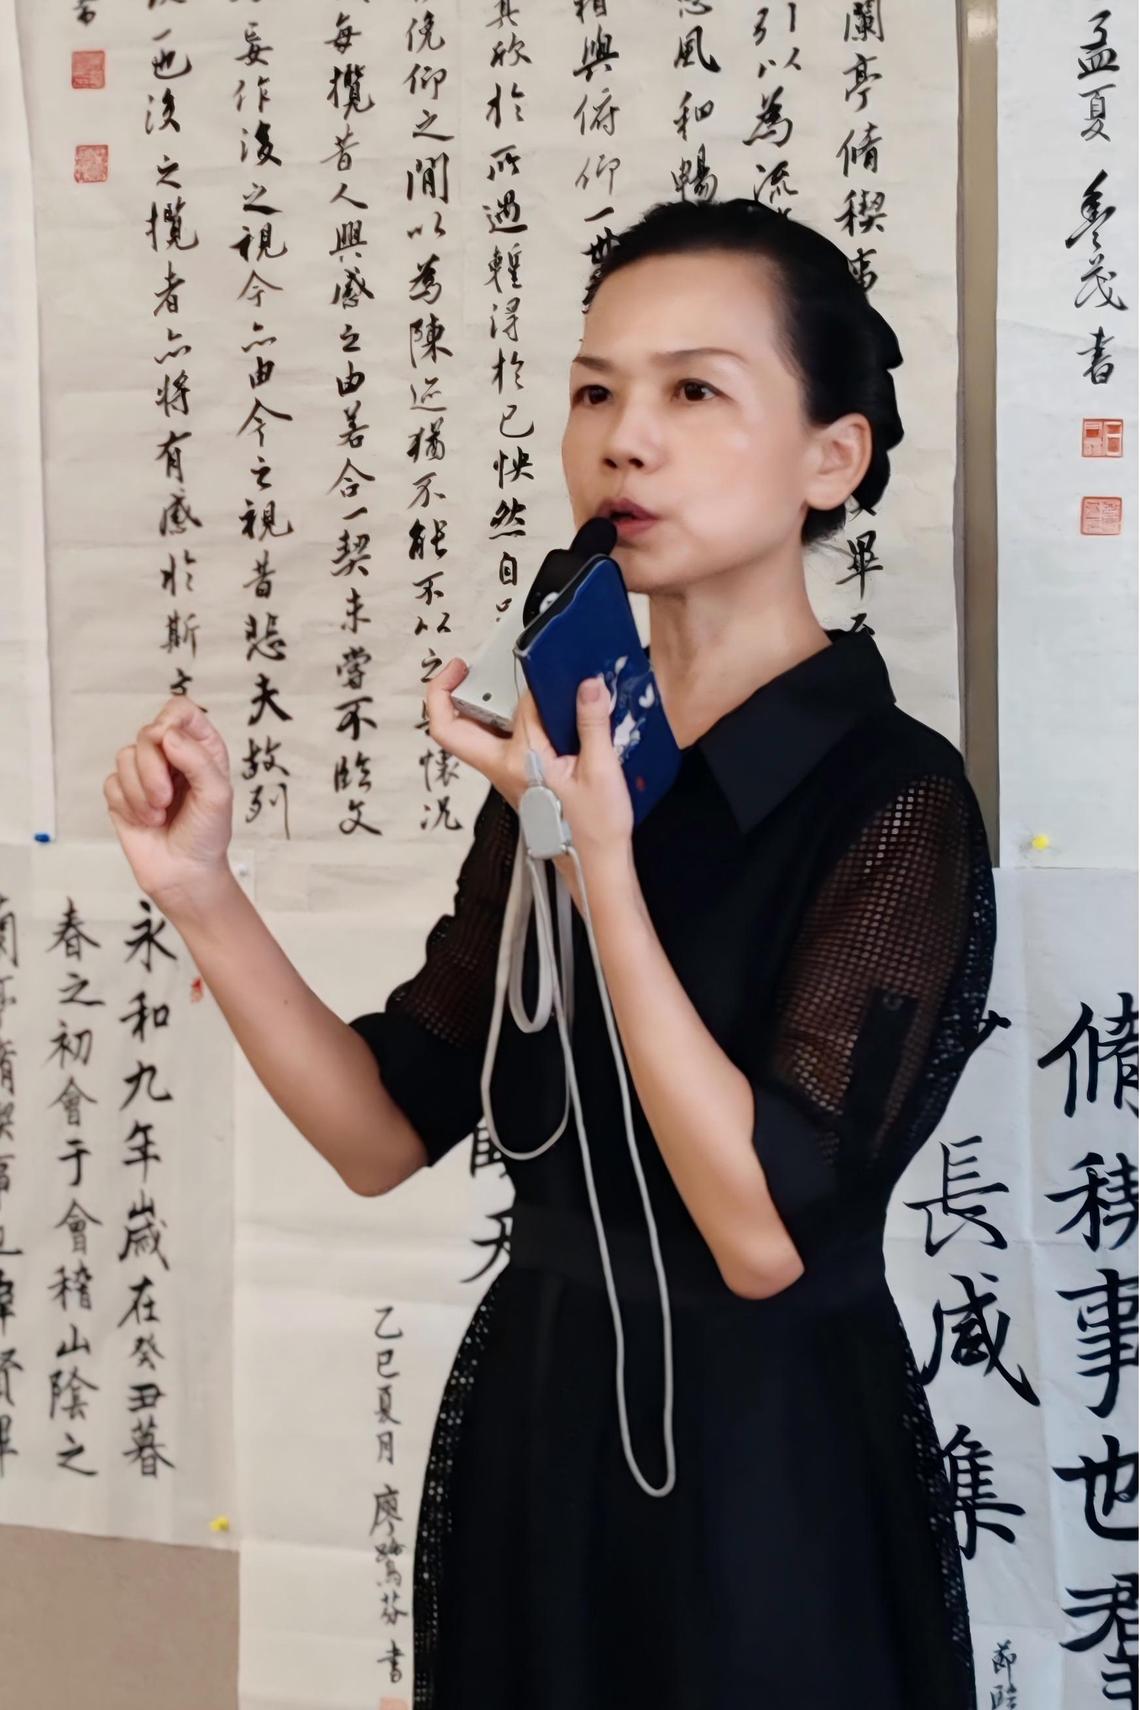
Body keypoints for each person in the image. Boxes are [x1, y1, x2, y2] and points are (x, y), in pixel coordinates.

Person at [106, 196, 996, 1709]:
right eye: (595, 393)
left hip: (770, 1474)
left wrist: (599, 863)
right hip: (539, 1434)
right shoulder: (566, 772)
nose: (624, 441)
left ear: (831, 458)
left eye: (695, 391)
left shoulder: (894, 795)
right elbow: (381, 1130)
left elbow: (763, 1233)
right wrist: (201, 890)